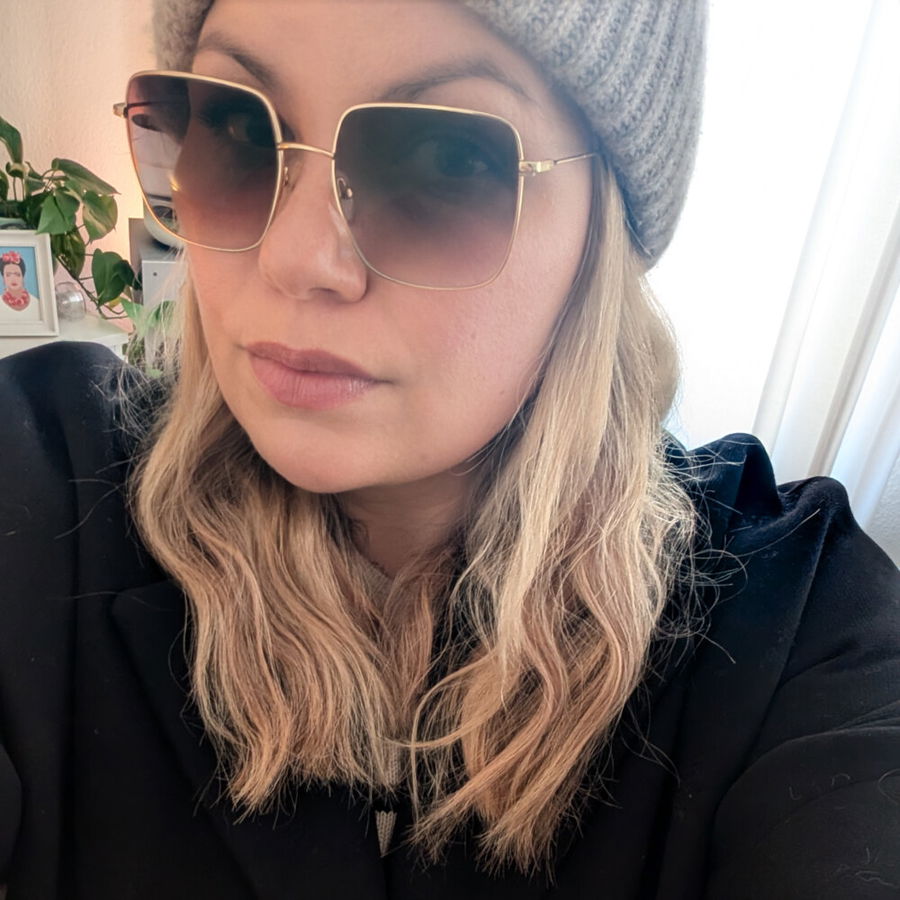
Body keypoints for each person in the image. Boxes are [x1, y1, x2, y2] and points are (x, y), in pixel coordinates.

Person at [0, 1, 898, 897]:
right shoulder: (40, 480)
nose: (296, 258)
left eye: (447, 158)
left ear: (602, 232)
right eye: (238, 128)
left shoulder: (796, 629)